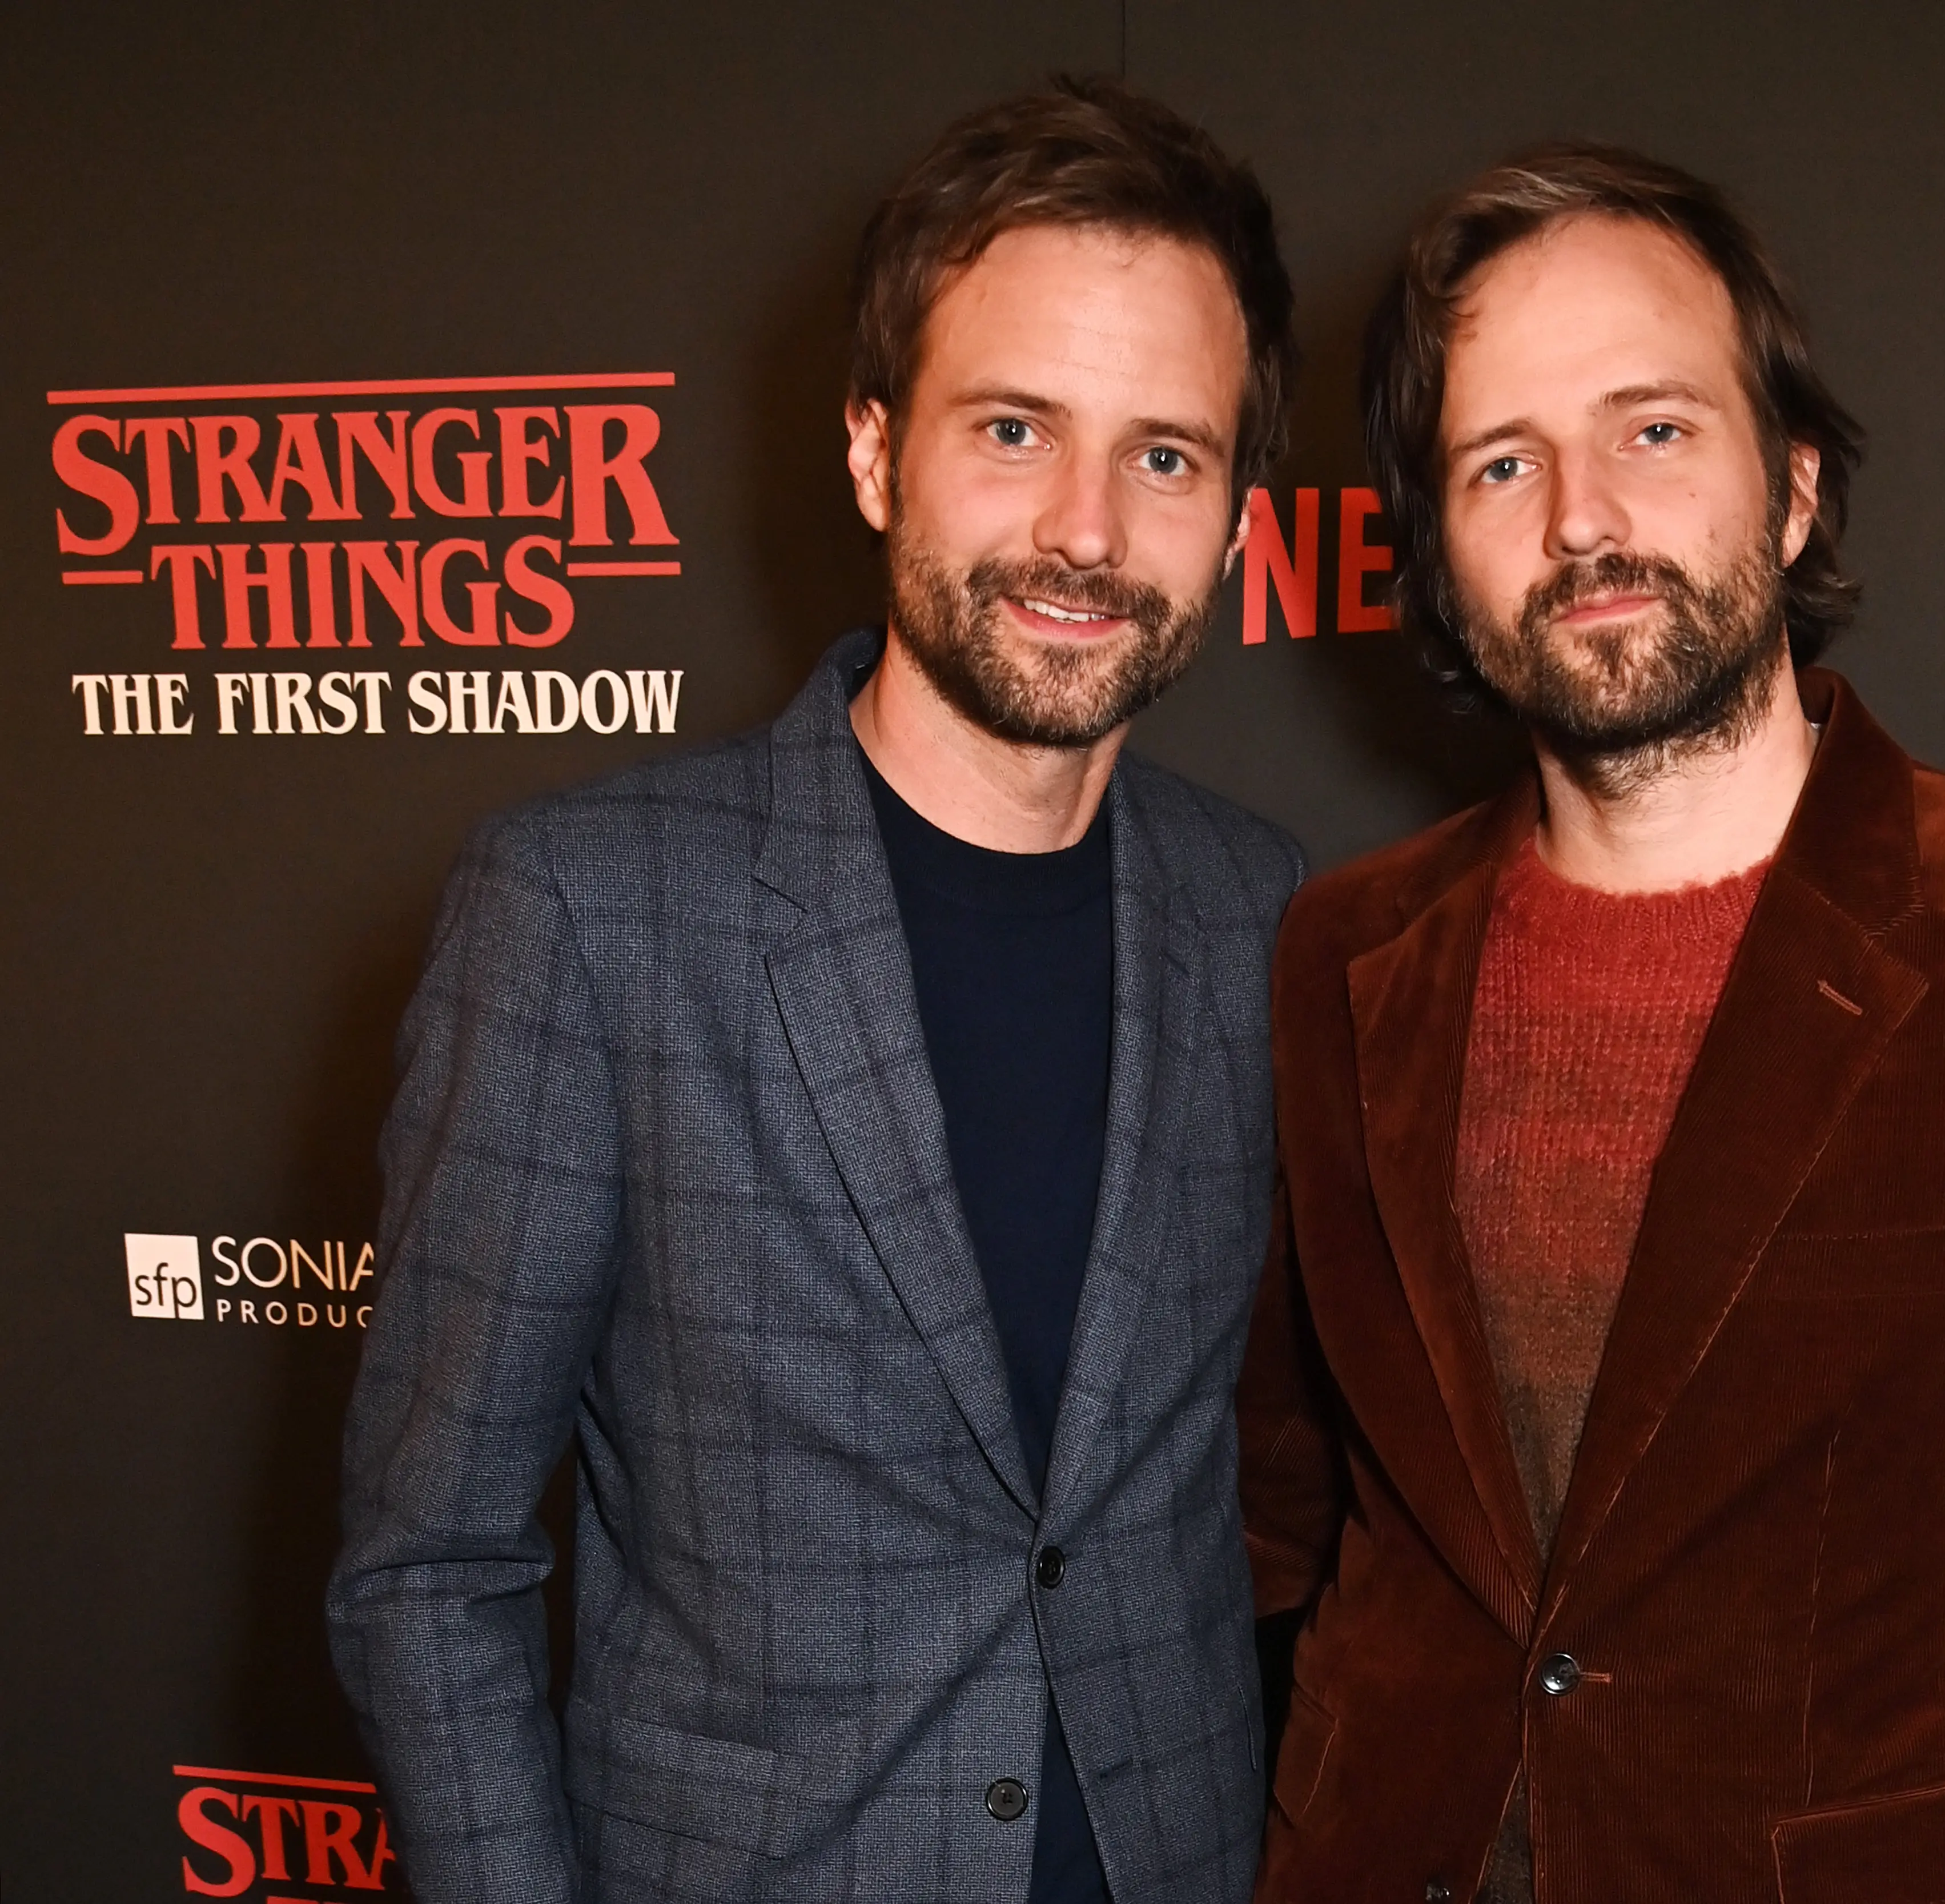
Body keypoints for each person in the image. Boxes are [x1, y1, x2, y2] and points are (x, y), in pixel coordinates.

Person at [1239, 144, 1945, 1903]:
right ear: (1434, 558)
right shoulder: (1342, 951)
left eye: (1654, 430)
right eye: (1501, 463)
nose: (1583, 518)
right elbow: (1271, 1520)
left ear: (1797, 484)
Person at [328, 79, 1303, 1904]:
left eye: (1166, 455)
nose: (1087, 531)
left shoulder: (1263, 909)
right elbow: (428, 1567)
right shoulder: (592, 912)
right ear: (875, 452)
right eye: (1015, 429)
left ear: (1241, 518)